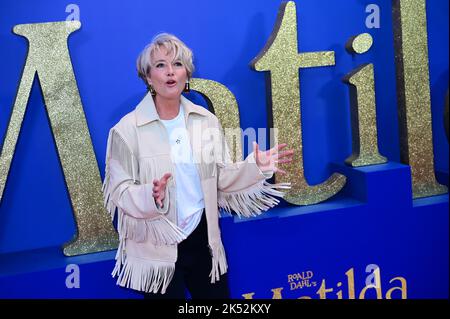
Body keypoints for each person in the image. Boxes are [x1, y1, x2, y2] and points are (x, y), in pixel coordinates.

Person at [102, 33, 294, 299]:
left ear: (186, 74)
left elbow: (220, 178)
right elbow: (120, 192)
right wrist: (151, 195)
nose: (170, 72)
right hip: (157, 245)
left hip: (204, 240)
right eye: (160, 65)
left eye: (178, 64)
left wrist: (255, 167)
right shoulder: (126, 130)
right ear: (148, 77)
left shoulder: (205, 121)